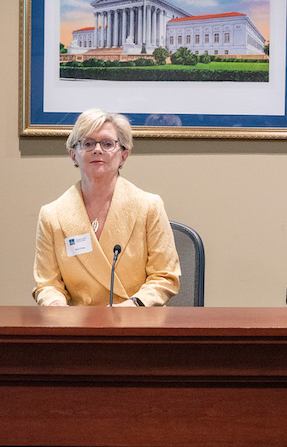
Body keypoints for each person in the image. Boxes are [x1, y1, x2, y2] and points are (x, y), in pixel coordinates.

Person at [33, 109, 180, 306]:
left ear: (124, 155)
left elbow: (165, 276)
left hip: (135, 323)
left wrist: (134, 304)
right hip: (77, 327)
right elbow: (47, 285)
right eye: (88, 143)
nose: (97, 150)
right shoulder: (52, 215)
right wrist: (55, 305)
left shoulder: (149, 207)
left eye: (108, 143)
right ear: (73, 155)